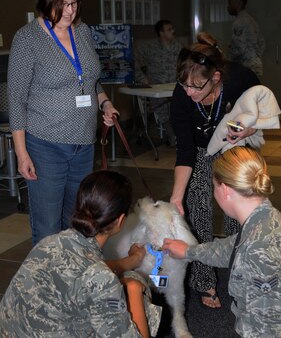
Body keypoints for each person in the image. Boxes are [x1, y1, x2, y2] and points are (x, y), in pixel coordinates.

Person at [8, 0, 119, 245]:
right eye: (64, 4)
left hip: (83, 144)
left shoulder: (82, 32)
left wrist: (105, 103)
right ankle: (47, 286)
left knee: (78, 225)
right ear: (47, 1)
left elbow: (89, 79)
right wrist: (21, 154)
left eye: (74, 2)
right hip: (46, 145)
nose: (71, 10)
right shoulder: (27, 39)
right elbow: (17, 99)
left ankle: (72, 285)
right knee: (48, 230)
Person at [0, 170, 161, 337]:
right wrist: (133, 289)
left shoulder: (51, 242)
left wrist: (133, 259)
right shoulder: (102, 279)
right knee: (137, 288)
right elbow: (97, 276)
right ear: (120, 220)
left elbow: (86, 270)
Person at [170, 32, 260, 308]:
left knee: (238, 207)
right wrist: (176, 197)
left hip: (235, 145)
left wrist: (248, 129)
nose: (190, 92)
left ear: (216, 78)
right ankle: (204, 280)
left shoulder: (240, 80)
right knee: (196, 202)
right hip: (199, 149)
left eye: (197, 87)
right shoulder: (182, 97)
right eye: (184, 85)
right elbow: (185, 151)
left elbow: (261, 111)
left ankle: (240, 274)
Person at [163, 146, 281, 338]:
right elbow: (231, 247)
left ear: (224, 189)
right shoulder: (266, 218)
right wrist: (189, 251)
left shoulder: (256, 253)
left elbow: (264, 329)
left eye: (214, 186)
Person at [134, 19, 183, 146]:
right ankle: (174, 138)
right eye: (169, 29)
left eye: (172, 28)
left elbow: (185, 64)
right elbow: (133, 60)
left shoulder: (177, 46)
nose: (173, 31)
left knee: (179, 108)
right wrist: (142, 78)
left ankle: (181, 136)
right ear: (161, 33)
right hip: (156, 87)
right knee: (163, 109)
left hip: (174, 86)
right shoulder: (149, 47)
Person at [227, 0, 265, 78]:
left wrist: (227, 61)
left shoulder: (239, 21)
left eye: (230, 2)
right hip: (255, 66)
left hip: (246, 67)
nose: (228, 6)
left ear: (238, 2)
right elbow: (262, 43)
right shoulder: (251, 20)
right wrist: (255, 57)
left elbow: (239, 48)